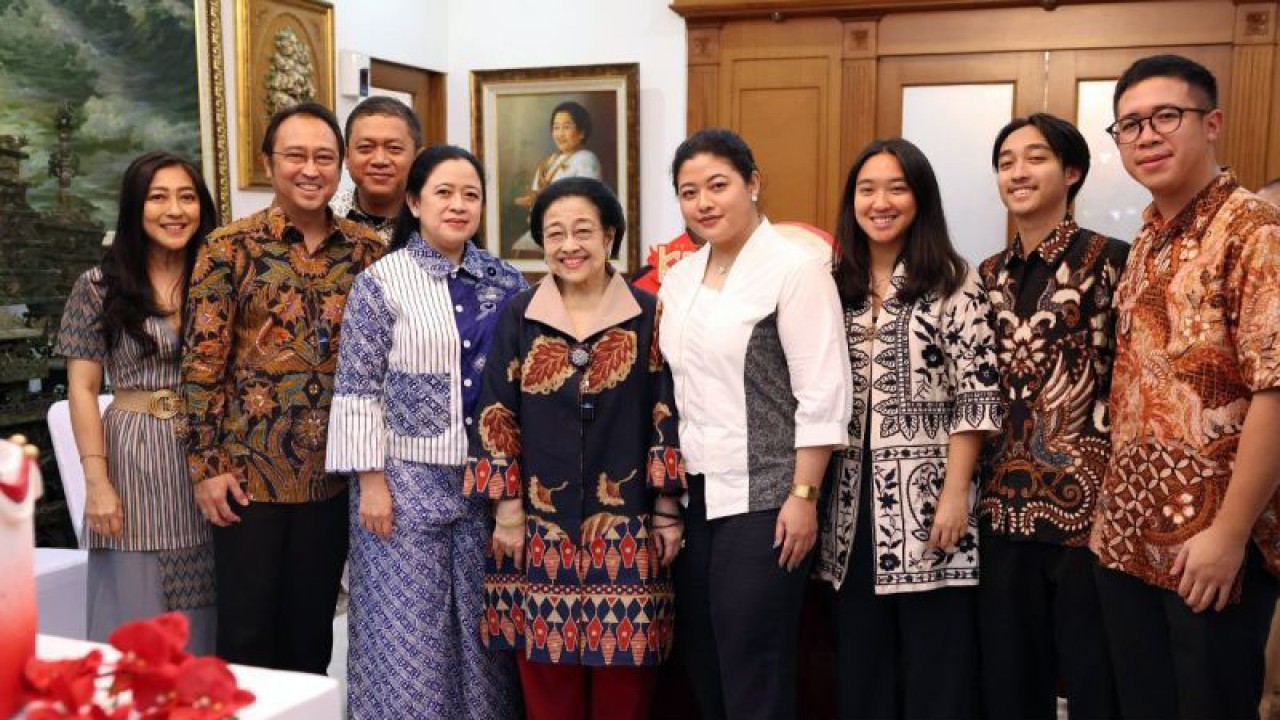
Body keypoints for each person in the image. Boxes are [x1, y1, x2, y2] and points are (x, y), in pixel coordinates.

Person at [1090, 54, 1280, 719]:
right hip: (1127, 539)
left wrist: (1229, 534)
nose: (1146, 136)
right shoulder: (1147, 237)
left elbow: (1275, 390)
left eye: (1166, 116)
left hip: (1211, 549)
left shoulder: (1255, 232)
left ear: (1212, 123)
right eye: (1130, 124)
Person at [465, 175, 684, 720]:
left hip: (629, 531)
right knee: (547, 683)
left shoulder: (649, 313)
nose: (569, 245)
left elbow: (665, 410)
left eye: (583, 231)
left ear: (609, 234)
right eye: (555, 233)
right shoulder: (520, 314)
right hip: (537, 530)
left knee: (624, 684)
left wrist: (667, 508)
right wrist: (507, 511)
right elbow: (496, 413)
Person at [180, 102, 384, 673]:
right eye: (296, 155)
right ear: (269, 163)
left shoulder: (368, 252)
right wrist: (206, 466)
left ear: (341, 167)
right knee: (245, 639)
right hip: (248, 480)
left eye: (324, 157)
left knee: (312, 638)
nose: (310, 169)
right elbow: (201, 364)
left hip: (334, 479)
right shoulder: (229, 247)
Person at [325, 145, 525, 718]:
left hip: (485, 485)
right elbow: (358, 385)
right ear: (414, 202)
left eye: (471, 195)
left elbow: (520, 386)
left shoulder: (508, 282)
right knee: (405, 635)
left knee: (482, 633)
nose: (458, 205)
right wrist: (371, 483)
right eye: (444, 193)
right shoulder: (381, 282)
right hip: (400, 485)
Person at [659, 128, 851, 720]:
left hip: (767, 497)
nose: (704, 203)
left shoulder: (796, 270)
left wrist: (804, 495)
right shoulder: (680, 278)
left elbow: (823, 391)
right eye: (689, 192)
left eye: (718, 185)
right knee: (703, 664)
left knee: (754, 669)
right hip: (696, 497)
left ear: (753, 184)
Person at [817, 137, 1001, 719]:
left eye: (897, 188)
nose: (881, 202)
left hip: (930, 501)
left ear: (920, 198)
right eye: (867, 190)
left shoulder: (952, 280)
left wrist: (955, 494)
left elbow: (977, 392)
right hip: (848, 507)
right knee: (861, 666)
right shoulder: (832, 283)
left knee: (936, 668)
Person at [976, 114, 1126, 719]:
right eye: (1006, 161)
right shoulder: (986, 276)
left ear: (1072, 173)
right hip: (1001, 510)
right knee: (1009, 683)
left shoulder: (1111, 260)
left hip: (1088, 512)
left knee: (1095, 682)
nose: (1018, 171)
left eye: (1035, 158)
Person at [56, 151, 217, 652]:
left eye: (187, 197)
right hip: (132, 457)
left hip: (208, 455)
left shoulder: (219, 278)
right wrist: (96, 482)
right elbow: (82, 389)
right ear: (134, 207)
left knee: (210, 604)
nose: (175, 210)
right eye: (158, 197)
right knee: (135, 610)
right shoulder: (97, 287)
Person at [510, 101, 602, 253]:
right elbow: (537, 196)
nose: (560, 134)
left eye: (566, 127)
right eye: (556, 127)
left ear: (582, 132)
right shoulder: (550, 161)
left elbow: (586, 203)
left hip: (571, 234)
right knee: (519, 251)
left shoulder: (586, 159)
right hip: (544, 228)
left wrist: (546, 200)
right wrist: (533, 199)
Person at [330, 95, 423, 244]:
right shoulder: (324, 216)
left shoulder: (438, 221)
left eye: (394, 148)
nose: (380, 160)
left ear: (417, 158)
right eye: (366, 147)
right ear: (346, 157)